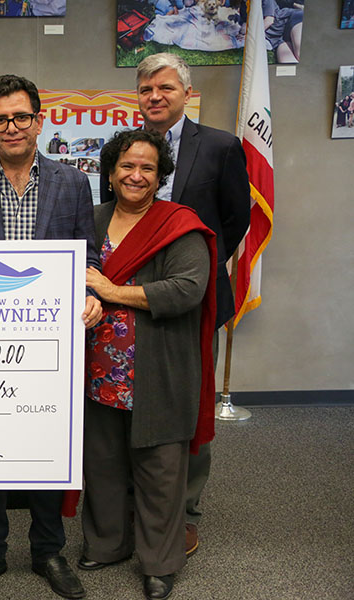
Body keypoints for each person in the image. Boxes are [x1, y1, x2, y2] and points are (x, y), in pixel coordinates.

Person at [0, 74, 102, 599]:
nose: (11, 127)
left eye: (21, 117)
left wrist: (92, 293)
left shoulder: (72, 183)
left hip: (51, 345)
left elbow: (89, 256)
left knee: (46, 446)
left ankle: (48, 550)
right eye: (0, 119)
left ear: (39, 119)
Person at [100, 52, 249, 558]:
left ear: (186, 92)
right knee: (121, 409)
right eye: (145, 89)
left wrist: (193, 269)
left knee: (187, 402)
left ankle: (182, 512)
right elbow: (114, 219)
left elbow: (234, 221)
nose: (155, 97)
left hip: (191, 299)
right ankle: (126, 511)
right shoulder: (125, 150)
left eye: (165, 88)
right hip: (120, 309)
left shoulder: (222, 147)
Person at [81, 128, 217, 600]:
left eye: (147, 168)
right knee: (101, 463)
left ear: (161, 176)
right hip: (96, 369)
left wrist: (110, 291)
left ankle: (160, 562)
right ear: (112, 171)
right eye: (127, 166)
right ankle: (107, 543)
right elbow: (70, 277)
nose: (136, 175)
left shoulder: (177, 223)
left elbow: (186, 290)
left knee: (160, 470)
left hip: (157, 369)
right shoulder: (92, 219)